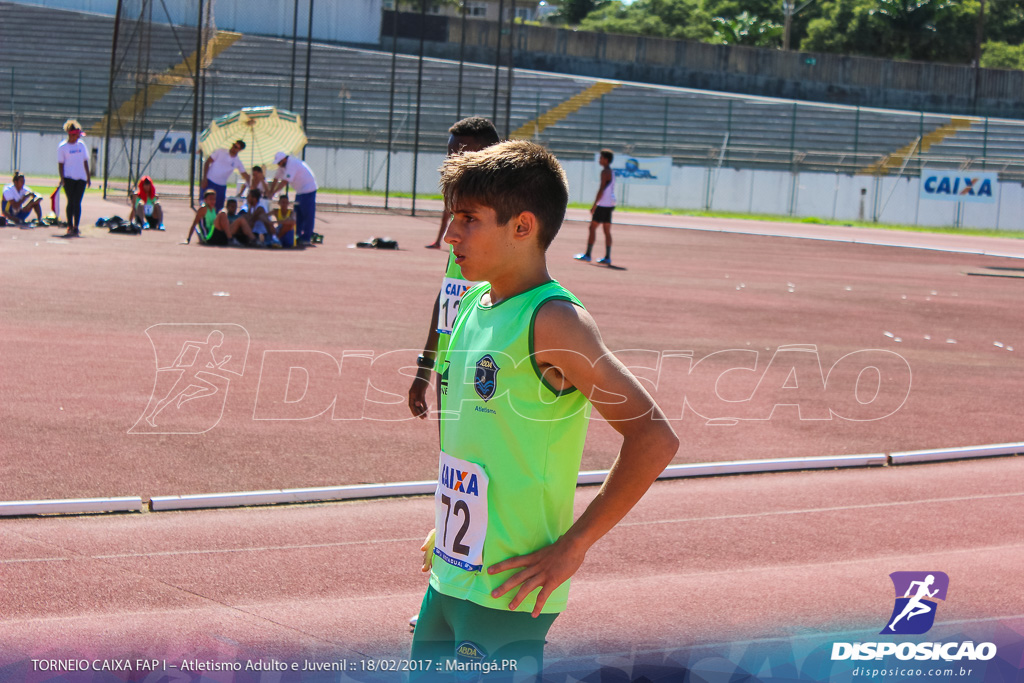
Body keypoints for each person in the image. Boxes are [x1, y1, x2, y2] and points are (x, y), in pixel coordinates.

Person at [409, 140, 679, 679]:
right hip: (451, 574)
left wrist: (574, 546)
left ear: (523, 226)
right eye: (451, 217)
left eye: (468, 219)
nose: (450, 234)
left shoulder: (554, 321)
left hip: (509, 591)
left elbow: (654, 437)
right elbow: (472, 441)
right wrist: (449, 524)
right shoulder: (471, 306)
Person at [408, 117, 500, 426]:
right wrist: (425, 365)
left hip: (487, 355)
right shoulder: (461, 217)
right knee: (449, 456)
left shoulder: (504, 218)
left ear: (491, 153)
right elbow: (449, 293)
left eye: (460, 154)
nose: (451, 162)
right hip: (450, 356)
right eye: (449, 154)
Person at [425, 117, 502, 250]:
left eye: (461, 157)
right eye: (450, 156)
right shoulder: (460, 194)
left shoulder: (506, 205)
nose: (451, 164)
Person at [575, 148, 616, 265]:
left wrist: (594, 205)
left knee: (592, 228)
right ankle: (607, 257)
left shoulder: (604, 172)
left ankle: (588, 254)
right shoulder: (611, 171)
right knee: (606, 230)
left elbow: (602, 188)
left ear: (606, 160)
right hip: (609, 204)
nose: (599, 160)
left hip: (603, 204)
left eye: (601, 158)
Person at [268, 151, 317, 247]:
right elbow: (276, 178)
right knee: (298, 214)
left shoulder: (292, 164)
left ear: (284, 159)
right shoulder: (283, 166)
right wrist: (271, 191)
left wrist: (273, 193)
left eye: (279, 162)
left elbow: (284, 182)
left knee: (307, 214)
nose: (278, 165)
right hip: (300, 191)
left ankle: (306, 238)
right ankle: (297, 235)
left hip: (308, 190)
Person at [183, 189, 256, 246]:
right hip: (208, 237)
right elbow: (194, 224)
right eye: (210, 199)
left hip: (217, 234)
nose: (213, 201)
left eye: (214, 199)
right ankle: (230, 239)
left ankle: (254, 240)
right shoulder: (203, 209)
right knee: (223, 213)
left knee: (240, 220)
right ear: (205, 200)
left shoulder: (214, 209)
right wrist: (188, 239)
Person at [57, 119, 91, 237]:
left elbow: (85, 160)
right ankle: (69, 225)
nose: (78, 137)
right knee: (70, 202)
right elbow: (61, 164)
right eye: (76, 135)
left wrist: (88, 176)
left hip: (81, 177)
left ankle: (76, 226)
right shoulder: (63, 147)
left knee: (77, 202)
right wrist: (62, 178)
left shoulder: (81, 145)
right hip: (69, 178)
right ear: (71, 134)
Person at [201, 140, 250, 212]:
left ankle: (214, 223)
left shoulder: (237, 161)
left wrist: (253, 180)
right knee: (205, 205)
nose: (233, 148)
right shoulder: (220, 151)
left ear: (240, 150)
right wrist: (204, 178)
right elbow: (207, 162)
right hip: (209, 181)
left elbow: (244, 174)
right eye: (233, 145)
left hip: (221, 186)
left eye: (236, 147)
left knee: (218, 208)